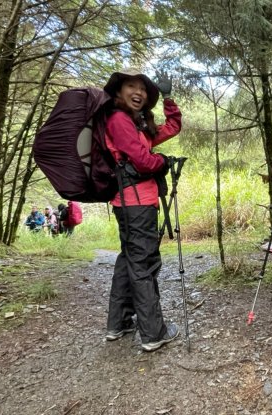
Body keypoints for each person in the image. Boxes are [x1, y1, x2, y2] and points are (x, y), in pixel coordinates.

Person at [102, 68, 182, 352]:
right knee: (144, 264)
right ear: (119, 92)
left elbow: (172, 128)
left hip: (130, 202)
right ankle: (153, 332)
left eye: (144, 89)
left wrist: (169, 98)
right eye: (132, 86)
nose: (138, 92)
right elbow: (143, 162)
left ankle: (119, 322)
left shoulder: (136, 125)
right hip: (135, 203)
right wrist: (162, 161)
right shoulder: (119, 120)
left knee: (129, 260)